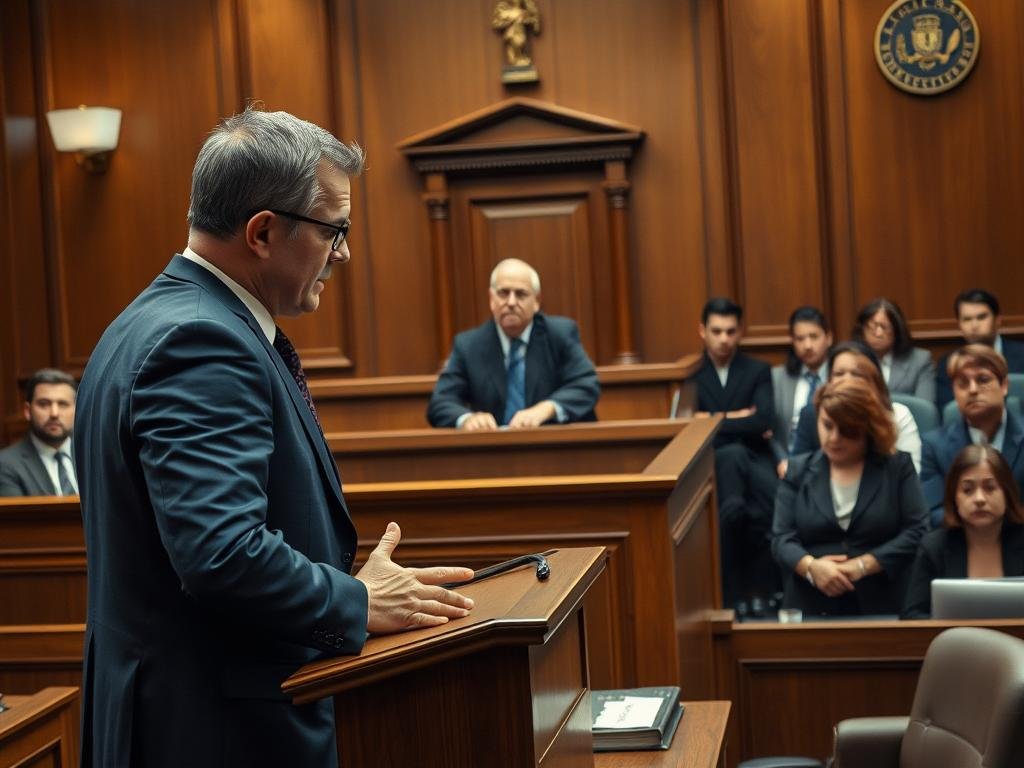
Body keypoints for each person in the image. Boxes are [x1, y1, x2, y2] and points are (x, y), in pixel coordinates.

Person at [73, 106, 475, 768]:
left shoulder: (150, 319)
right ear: (262, 232)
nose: (344, 251)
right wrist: (357, 601)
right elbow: (223, 554)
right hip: (214, 732)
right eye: (334, 229)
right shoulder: (201, 343)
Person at [773, 377, 929, 616]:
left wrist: (863, 565)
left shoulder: (897, 467)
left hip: (883, 599)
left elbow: (917, 530)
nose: (834, 437)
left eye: (847, 429)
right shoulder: (798, 470)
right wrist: (812, 567)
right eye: (827, 425)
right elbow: (782, 538)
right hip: (811, 601)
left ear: (868, 427)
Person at [426, 258, 599, 430]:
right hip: (492, 451)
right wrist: (467, 419)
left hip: (552, 448)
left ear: (537, 301)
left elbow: (586, 384)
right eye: (503, 293)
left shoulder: (560, 334)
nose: (511, 302)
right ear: (491, 299)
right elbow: (440, 402)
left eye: (521, 294)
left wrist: (546, 409)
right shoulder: (468, 345)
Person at [694, 297, 777, 613]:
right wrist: (740, 418)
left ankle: (741, 599)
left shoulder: (758, 369)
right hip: (711, 466)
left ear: (740, 332)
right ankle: (751, 597)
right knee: (733, 474)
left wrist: (712, 419)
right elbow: (690, 430)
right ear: (702, 331)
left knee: (744, 502)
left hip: (755, 463)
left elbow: (763, 421)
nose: (724, 339)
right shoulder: (691, 373)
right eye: (717, 331)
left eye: (730, 331)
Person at [902, 445, 1024, 618]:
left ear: (1007, 493)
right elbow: (911, 616)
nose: (979, 499)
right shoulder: (934, 547)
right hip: (954, 643)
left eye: (990, 488)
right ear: (954, 497)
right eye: (968, 490)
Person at [920, 344, 1024, 527]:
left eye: (982, 379)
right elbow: (933, 514)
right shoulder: (935, 446)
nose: (973, 390)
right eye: (963, 383)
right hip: (962, 545)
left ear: (1004, 386)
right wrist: (978, 522)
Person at [791, 341, 922, 472]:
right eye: (839, 374)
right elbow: (798, 471)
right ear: (829, 381)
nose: (847, 380)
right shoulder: (812, 414)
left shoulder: (897, 415)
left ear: (874, 380)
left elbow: (910, 473)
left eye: (857, 374)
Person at [936, 289, 1024, 408]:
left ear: (997, 320)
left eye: (981, 317)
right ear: (959, 325)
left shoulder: (1021, 354)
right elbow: (948, 410)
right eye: (967, 319)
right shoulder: (947, 363)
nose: (974, 326)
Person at [770, 306, 833, 474]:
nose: (807, 345)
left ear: (828, 337)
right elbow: (771, 432)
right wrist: (783, 460)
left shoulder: (840, 375)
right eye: (800, 338)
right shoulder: (777, 377)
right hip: (785, 463)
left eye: (814, 337)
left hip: (830, 463)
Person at [0, 368, 79, 496]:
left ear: (76, 410)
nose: (54, 413)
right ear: (27, 411)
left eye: (63, 404)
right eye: (44, 404)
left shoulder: (94, 455)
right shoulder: (5, 464)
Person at [852, 298, 935, 401]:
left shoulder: (920, 360)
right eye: (872, 326)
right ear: (862, 329)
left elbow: (925, 410)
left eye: (884, 327)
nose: (878, 333)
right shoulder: (849, 360)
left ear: (897, 330)